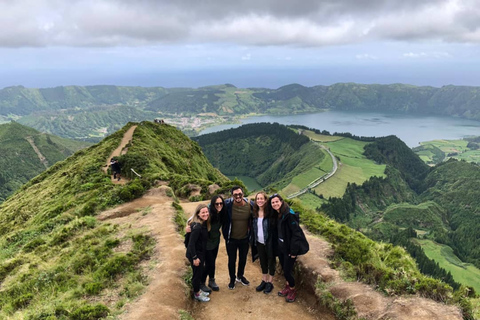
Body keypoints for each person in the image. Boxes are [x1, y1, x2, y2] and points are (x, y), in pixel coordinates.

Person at [268, 193, 309, 303]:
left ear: (281, 201)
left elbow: (296, 234)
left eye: (277, 201)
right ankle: (287, 286)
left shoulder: (289, 215)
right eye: (273, 202)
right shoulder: (277, 214)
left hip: (290, 249)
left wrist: (294, 251)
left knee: (287, 270)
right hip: (282, 247)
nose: (275, 204)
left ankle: (292, 289)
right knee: (284, 267)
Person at [222, 186, 254, 290]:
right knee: (232, 260)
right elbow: (212, 208)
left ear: (243, 194)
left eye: (239, 194)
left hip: (244, 238)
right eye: (235, 194)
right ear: (232, 196)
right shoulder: (227, 205)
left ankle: (240, 276)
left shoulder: (250, 206)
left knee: (243, 259)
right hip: (231, 239)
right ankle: (232, 279)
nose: (238, 196)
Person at [186, 204, 211, 302]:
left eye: (206, 212)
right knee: (197, 274)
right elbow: (191, 244)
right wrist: (195, 258)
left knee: (199, 272)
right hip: (195, 254)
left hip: (199, 253)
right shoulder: (197, 227)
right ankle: (196, 293)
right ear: (198, 214)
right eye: (203, 212)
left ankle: (198, 290)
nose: (205, 214)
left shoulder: (202, 223)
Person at [251, 191, 276, 294]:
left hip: (269, 242)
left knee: (271, 261)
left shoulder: (270, 213)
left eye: (262, 198)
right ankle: (264, 280)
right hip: (259, 241)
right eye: (258, 199)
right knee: (263, 261)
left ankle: (270, 282)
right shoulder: (255, 213)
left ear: (266, 200)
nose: (259, 201)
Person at [200, 195, 225, 293]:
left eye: (221, 203)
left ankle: (211, 280)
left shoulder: (221, 212)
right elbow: (195, 217)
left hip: (216, 241)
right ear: (212, 204)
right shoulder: (208, 212)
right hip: (207, 242)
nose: (219, 205)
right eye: (216, 204)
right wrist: (189, 226)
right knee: (209, 263)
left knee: (212, 261)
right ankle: (202, 282)